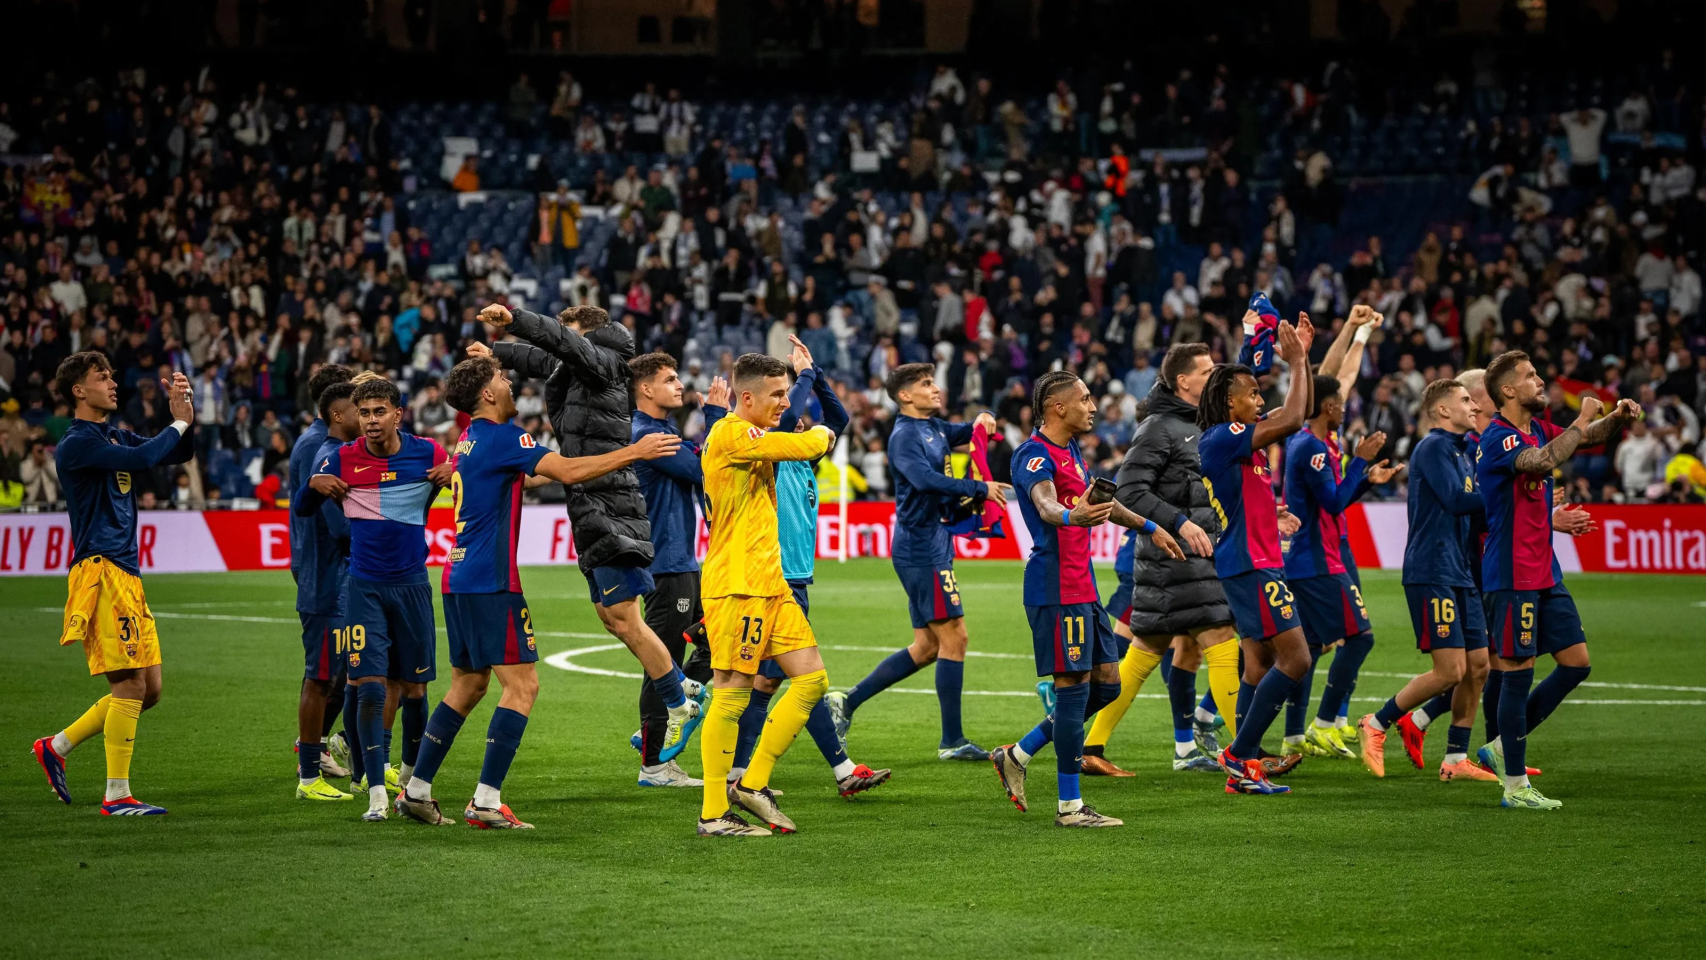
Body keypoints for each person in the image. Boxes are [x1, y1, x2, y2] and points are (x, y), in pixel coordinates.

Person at [397, 355, 681, 828]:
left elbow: (534, 474)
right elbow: (567, 471)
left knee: (467, 686)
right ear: (487, 395)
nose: (510, 385)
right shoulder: (506, 437)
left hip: (457, 575)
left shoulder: (469, 440)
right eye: (502, 379)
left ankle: (418, 790)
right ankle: (486, 801)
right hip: (492, 581)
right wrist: (635, 451)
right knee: (522, 686)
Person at [480, 303, 703, 761]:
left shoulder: (605, 365)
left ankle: (680, 699)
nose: (565, 341)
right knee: (610, 615)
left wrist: (516, 319)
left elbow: (561, 345)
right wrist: (496, 354)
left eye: (571, 334)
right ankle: (681, 687)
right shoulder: (579, 368)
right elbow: (548, 358)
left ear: (589, 335)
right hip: (589, 499)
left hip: (609, 502)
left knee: (625, 617)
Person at [988, 371, 1184, 828]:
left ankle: (1017, 753)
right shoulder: (1033, 454)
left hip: (1083, 587)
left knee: (1108, 686)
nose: (1094, 406)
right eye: (1085, 398)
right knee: (1073, 692)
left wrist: (1151, 528)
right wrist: (1071, 515)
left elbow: (1103, 503)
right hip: (1056, 587)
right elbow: (1045, 504)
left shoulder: (1070, 449)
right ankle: (1070, 807)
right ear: (1058, 407)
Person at [726, 335, 891, 798]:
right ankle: (840, 769)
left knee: (764, 681)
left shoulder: (801, 455)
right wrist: (802, 376)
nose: (788, 409)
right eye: (778, 402)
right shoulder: (771, 451)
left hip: (794, 576)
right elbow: (797, 412)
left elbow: (837, 419)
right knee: (797, 675)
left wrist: (814, 376)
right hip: (773, 578)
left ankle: (738, 773)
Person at [1472, 351, 1638, 809]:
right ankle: (1514, 786)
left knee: (1577, 662)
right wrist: (1582, 416)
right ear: (1508, 391)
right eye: (1530, 377)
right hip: (1510, 575)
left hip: (1544, 571)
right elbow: (1543, 461)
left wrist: (1617, 418)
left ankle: (1503, 745)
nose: (1540, 381)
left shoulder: (1538, 427)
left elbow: (1587, 438)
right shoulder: (1498, 438)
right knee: (1518, 673)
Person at [33, 353, 195, 816]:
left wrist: (185, 415)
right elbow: (145, 456)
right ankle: (116, 795)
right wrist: (176, 424)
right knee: (128, 685)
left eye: (110, 374)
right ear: (78, 392)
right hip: (101, 571)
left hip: (127, 572)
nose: (112, 382)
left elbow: (174, 452)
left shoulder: (111, 434)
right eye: (100, 377)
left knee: (151, 689)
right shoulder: (78, 442)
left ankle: (57, 746)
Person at [824, 363, 1010, 761]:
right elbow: (926, 480)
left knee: (927, 647)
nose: (935, 388)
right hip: (920, 548)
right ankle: (952, 741)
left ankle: (846, 702)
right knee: (955, 637)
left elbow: (971, 431)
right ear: (904, 395)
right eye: (925, 384)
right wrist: (979, 487)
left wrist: (983, 418)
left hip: (933, 542)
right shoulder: (903, 437)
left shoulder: (935, 428)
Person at [1084, 342, 1246, 777]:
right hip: (1174, 555)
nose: (1215, 376)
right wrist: (1178, 523)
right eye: (1207, 370)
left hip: (1183, 557)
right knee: (1221, 635)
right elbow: (1129, 490)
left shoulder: (1198, 424)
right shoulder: (1161, 427)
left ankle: (1092, 744)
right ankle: (1245, 754)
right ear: (1183, 381)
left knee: (1146, 651)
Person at [296, 376, 453, 821]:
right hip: (361, 588)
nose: (370, 421)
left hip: (413, 587)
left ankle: (409, 783)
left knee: (416, 690)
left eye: (379, 411)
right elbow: (302, 509)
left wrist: (454, 474)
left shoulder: (428, 453)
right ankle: (376, 795)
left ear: (397, 414)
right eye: (363, 413)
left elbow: (466, 490)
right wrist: (315, 486)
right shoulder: (342, 457)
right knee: (368, 688)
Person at [694, 352, 838, 838]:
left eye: (787, 392)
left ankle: (752, 784)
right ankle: (713, 812)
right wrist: (820, 435)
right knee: (732, 693)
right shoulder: (732, 432)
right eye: (777, 395)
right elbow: (801, 446)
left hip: (769, 583)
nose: (785, 402)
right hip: (737, 586)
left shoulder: (750, 435)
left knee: (812, 679)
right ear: (747, 397)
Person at [1196, 314, 1316, 795]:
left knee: (1259, 665)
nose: (1260, 401)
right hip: (1251, 564)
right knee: (1298, 660)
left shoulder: (1240, 443)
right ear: (1230, 403)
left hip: (1253, 559)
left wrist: (1275, 513)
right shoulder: (1223, 436)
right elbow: (1294, 418)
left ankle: (1247, 764)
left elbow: (1289, 415)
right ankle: (1240, 754)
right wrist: (1299, 362)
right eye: (1253, 395)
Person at [1355, 379, 1498, 782]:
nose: (1474, 407)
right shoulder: (1434, 446)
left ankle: (1455, 759)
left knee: (1478, 666)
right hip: (1431, 569)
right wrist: (1503, 497)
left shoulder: (1463, 452)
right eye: (1466, 400)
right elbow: (1456, 500)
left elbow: (1476, 511)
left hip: (1460, 570)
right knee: (1450, 671)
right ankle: (1378, 723)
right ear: (1442, 411)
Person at [1280, 375, 1395, 760]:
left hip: (1308, 560)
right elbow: (1331, 502)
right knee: (1360, 638)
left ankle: (1294, 735)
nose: (1345, 410)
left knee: (1309, 650)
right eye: (1342, 403)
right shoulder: (1312, 448)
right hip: (1317, 563)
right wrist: (1360, 461)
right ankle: (1325, 722)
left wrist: (1363, 479)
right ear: (1328, 407)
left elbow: (1334, 498)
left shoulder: (1308, 443)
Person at [624, 350, 723, 787]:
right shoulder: (647, 434)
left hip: (682, 560)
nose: (679, 385)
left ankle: (668, 714)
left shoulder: (662, 429)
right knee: (661, 660)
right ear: (645, 389)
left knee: (715, 642)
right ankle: (654, 764)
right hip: (666, 564)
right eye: (668, 379)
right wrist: (717, 418)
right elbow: (709, 469)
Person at [289, 373, 359, 801]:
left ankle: (328, 749)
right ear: (337, 412)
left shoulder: (317, 443)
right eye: (358, 408)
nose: (366, 416)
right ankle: (309, 768)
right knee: (322, 675)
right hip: (327, 576)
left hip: (330, 573)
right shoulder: (322, 450)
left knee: (349, 670)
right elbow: (339, 525)